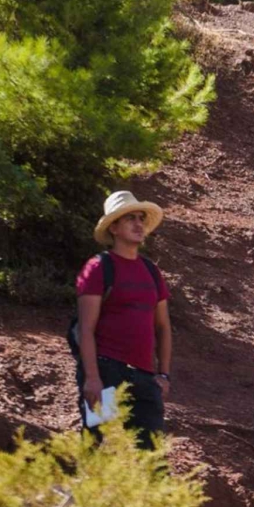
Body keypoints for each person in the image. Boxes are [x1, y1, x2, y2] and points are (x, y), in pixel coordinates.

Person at [75, 190, 172, 450]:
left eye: (141, 218)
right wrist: (92, 377)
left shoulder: (152, 271)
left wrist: (163, 374)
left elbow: (163, 327)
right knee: (98, 446)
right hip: (107, 372)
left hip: (144, 377)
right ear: (114, 227)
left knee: (151, 456)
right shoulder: (97, 267)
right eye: (130, 218)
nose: (138, 224)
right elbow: (86, 328)